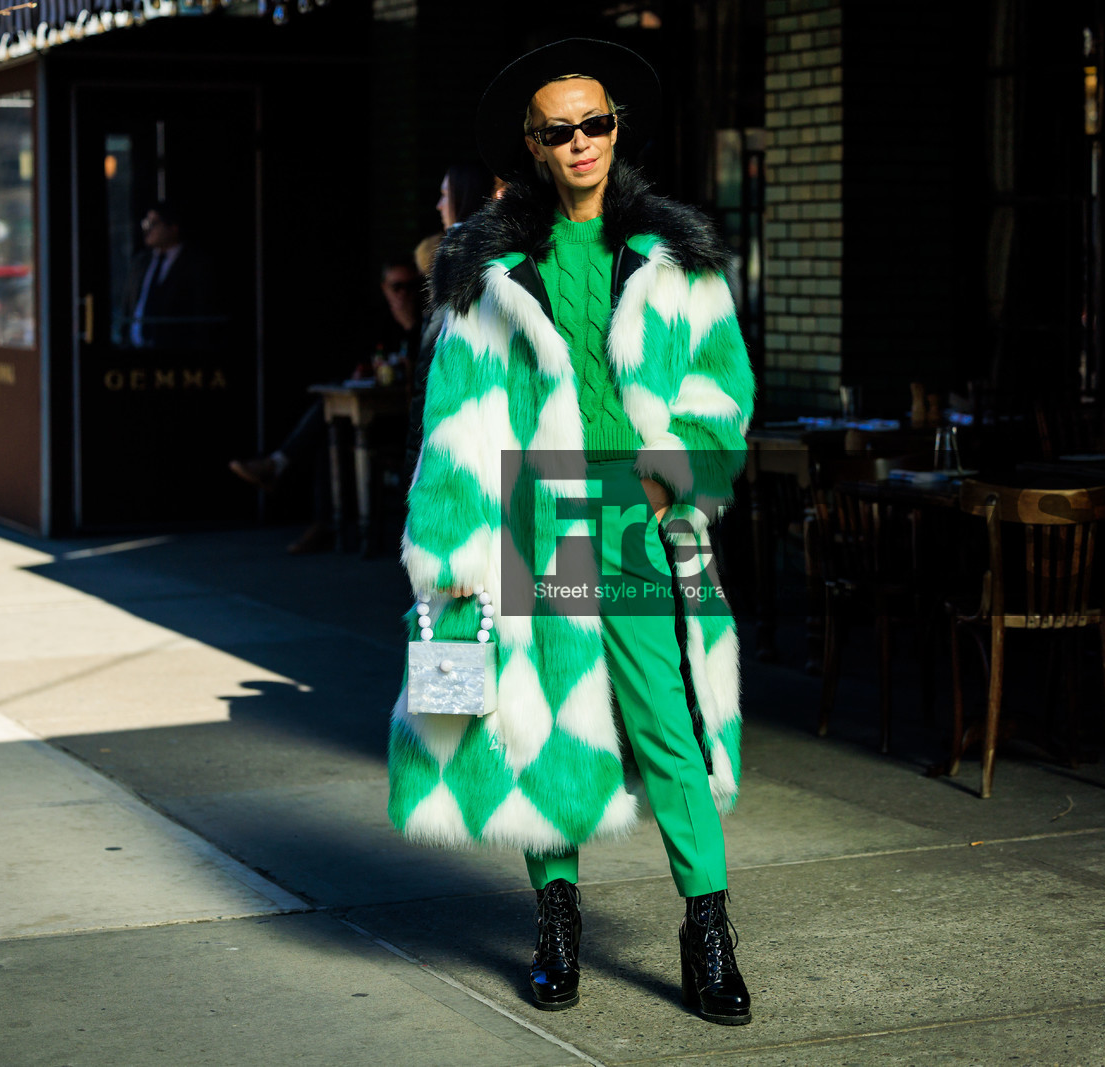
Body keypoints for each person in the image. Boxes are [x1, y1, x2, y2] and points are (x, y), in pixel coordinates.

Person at [389, 39, 755, 1024]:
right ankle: (556, 920)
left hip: (633, 517)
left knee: (663, 720)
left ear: (615, 129)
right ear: (532, 145)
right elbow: (455, 417)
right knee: (539, 715)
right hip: (527, 509)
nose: (582, 141)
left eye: (596, 122)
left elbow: (720, 382)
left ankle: (707, 928)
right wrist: (452, 551)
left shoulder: (674, 258)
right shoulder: (491, 269)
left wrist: (679, 473)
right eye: (561, 129)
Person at [229, 260, 423, 555]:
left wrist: (411, 327)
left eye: (411, 287)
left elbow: (425, 370)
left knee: (329, 427)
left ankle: (279, 467)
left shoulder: (426, 320)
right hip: (375, 414)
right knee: (328, 434)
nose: (404, 295)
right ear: (384, 288)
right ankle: (324, 523)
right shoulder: (377, 320)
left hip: (413, 421)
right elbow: (366, 362)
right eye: (397, 287)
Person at [405, 160, 496, 479]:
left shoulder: (458, 259)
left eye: (446, 195)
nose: (439, 205)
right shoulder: (486, 253)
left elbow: (432, 359)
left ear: (464, 196)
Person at [119, 203, 211, 349]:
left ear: (173, 228)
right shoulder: (141, 262)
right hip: (134, 351)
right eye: (146, 223)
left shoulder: (195, 265)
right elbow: (129, 305)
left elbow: (201, 310)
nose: (148, 229)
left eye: (153, 223)